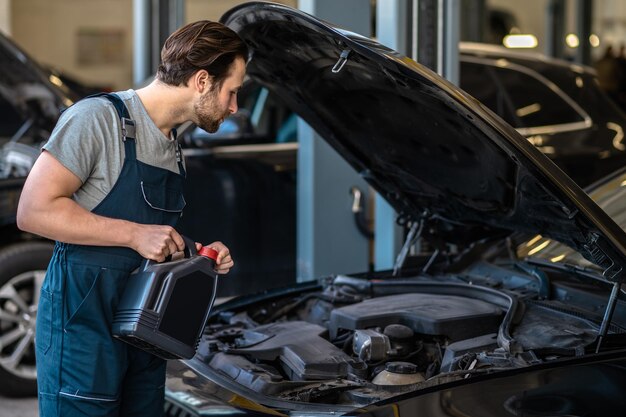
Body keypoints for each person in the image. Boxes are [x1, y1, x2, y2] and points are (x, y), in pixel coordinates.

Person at [16, 20, 246, 417]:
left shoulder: (172, 144)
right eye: (233, 92)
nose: (234, 107)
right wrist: (136, 234)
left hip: (144, 330)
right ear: (203, 81)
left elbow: (148, 238)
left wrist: (197, 253)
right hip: (83, 330)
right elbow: (33, 210)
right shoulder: (96, 119)